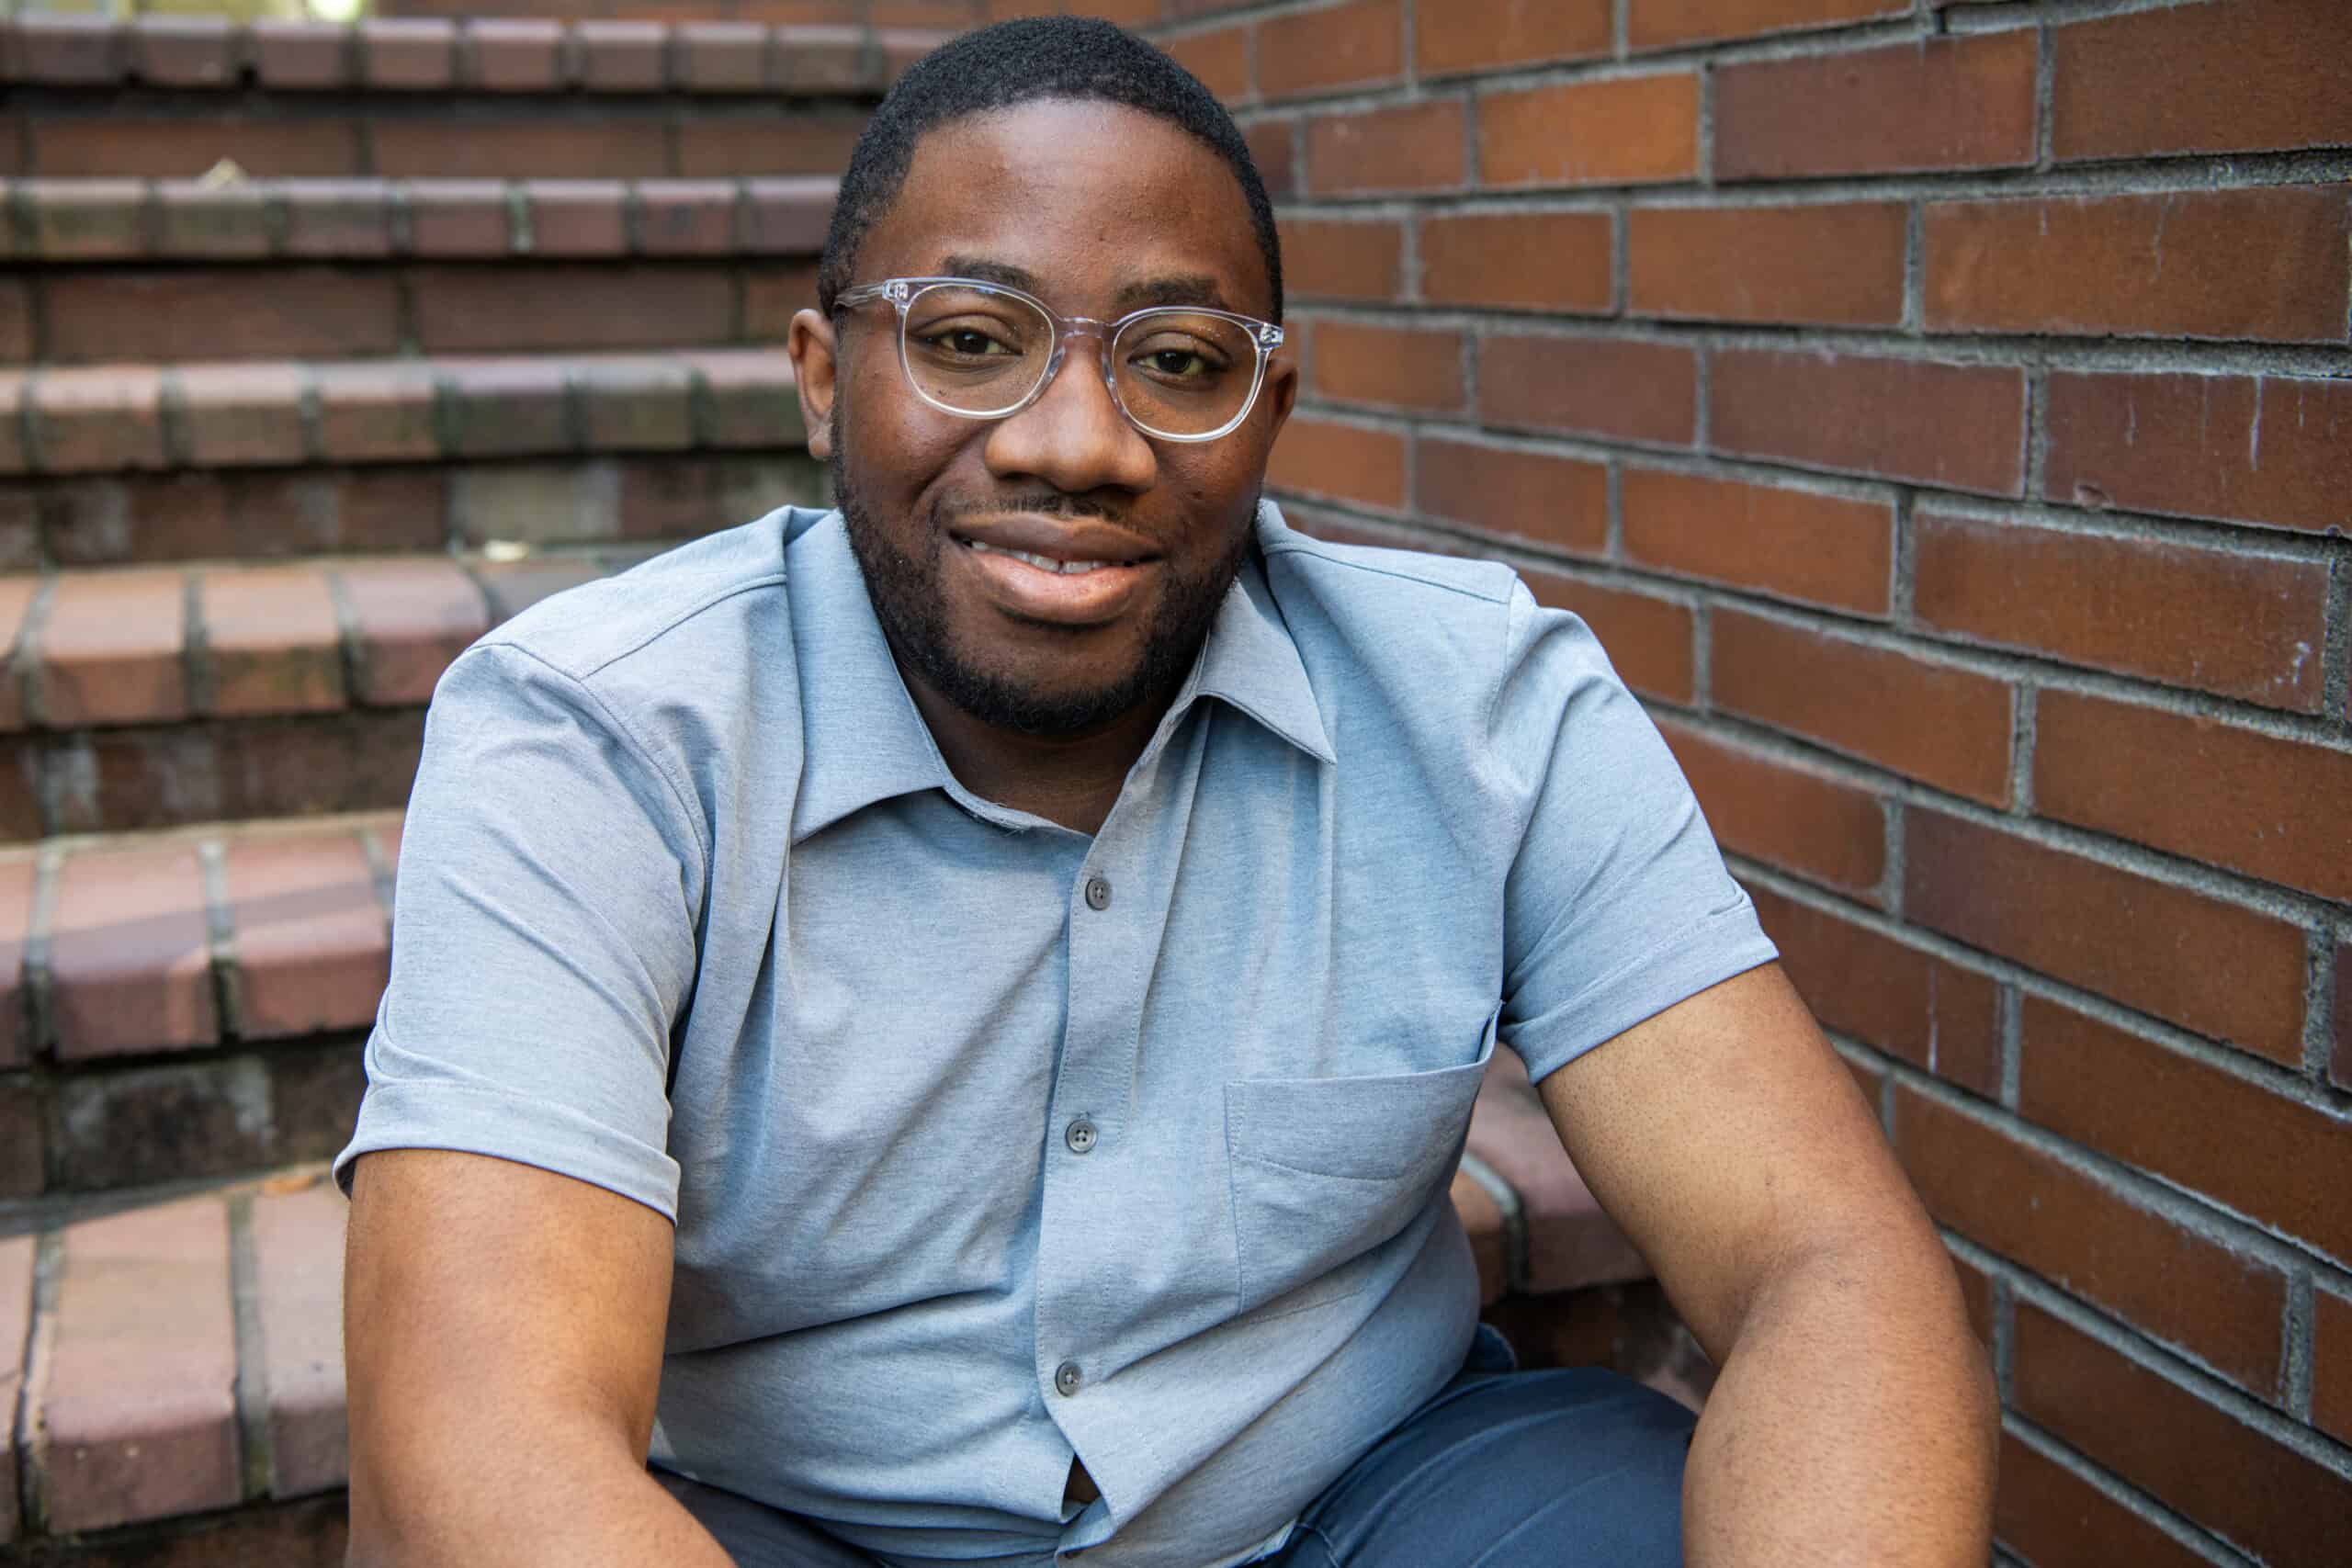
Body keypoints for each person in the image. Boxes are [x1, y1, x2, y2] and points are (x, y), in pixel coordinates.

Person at [338, 18, 1995, 1568]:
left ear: (1269, 408)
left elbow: (1820, 1264)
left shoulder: (1482, 706)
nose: (1079, 442)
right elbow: (488, 1446)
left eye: (1180, 361)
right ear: (823, 373)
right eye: (971, 340)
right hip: (801, 1526)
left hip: (1367, 1499)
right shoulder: (598, 738)